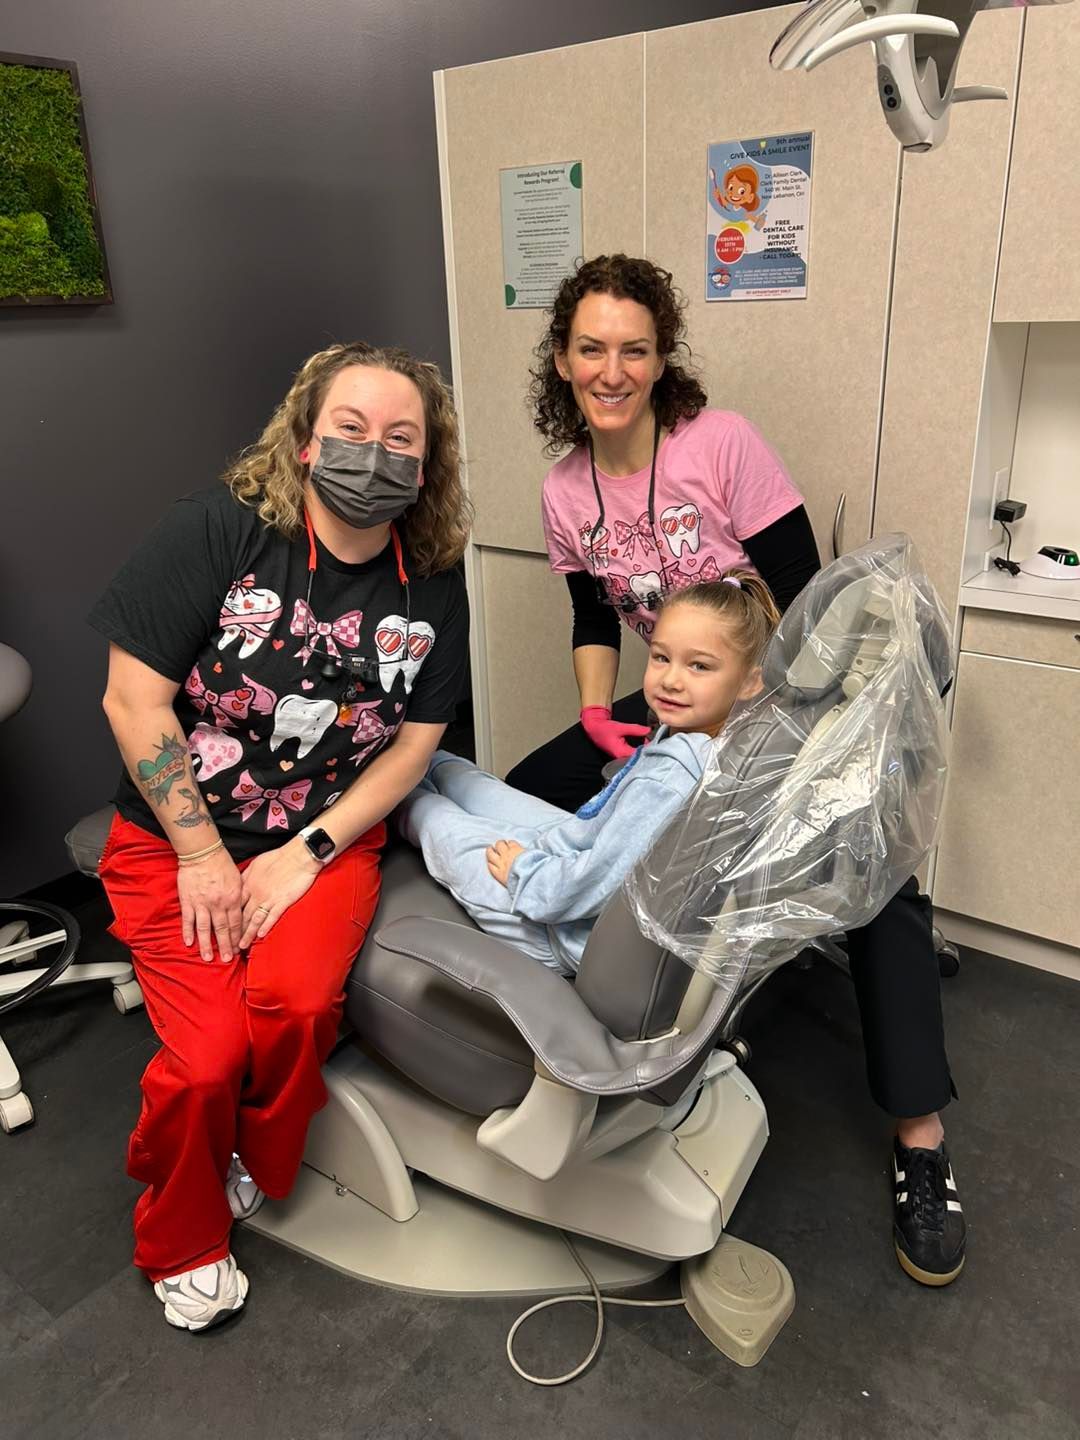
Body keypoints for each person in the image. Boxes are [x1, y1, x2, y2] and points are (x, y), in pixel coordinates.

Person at [506, 254, 966, 1288]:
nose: (611, 368)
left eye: (634, 348)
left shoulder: (721, 445)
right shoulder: (564, 488)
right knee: (535, 786)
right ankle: (549, 979)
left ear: (663, 358)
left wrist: (776, 746)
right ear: (563, 358)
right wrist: (596, 712)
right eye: (591, 348)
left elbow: (810, 603)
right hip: (678, 695)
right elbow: (593, 613)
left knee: (877, 885)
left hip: (786, 701)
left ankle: (922, 1140)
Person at [90, 341, 471, 1331]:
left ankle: (241, 1154)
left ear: (425, 470)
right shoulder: (219, 532)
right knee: (208, 1055)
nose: (372, 454)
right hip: (177, 836)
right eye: (350, 430)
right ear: (305, 442)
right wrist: (204, 855)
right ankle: (179, 1230)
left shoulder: (428, 578)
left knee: (296, 1010)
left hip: (324, 834)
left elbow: (417, 744)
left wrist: (309, 853)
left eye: (400, 440)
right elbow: (134, 701)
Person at [399, 573, 778, 973]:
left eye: (699, 666)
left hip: (561, 926)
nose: (671, 680)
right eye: (661, 657)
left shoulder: (669, 777)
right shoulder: (708, 738)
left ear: (750, 681)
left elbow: (593, 884)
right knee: (454, 772)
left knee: (431, 815)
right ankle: (417, 763)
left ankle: (386, 786)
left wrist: (523, 870)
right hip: (585, 850)